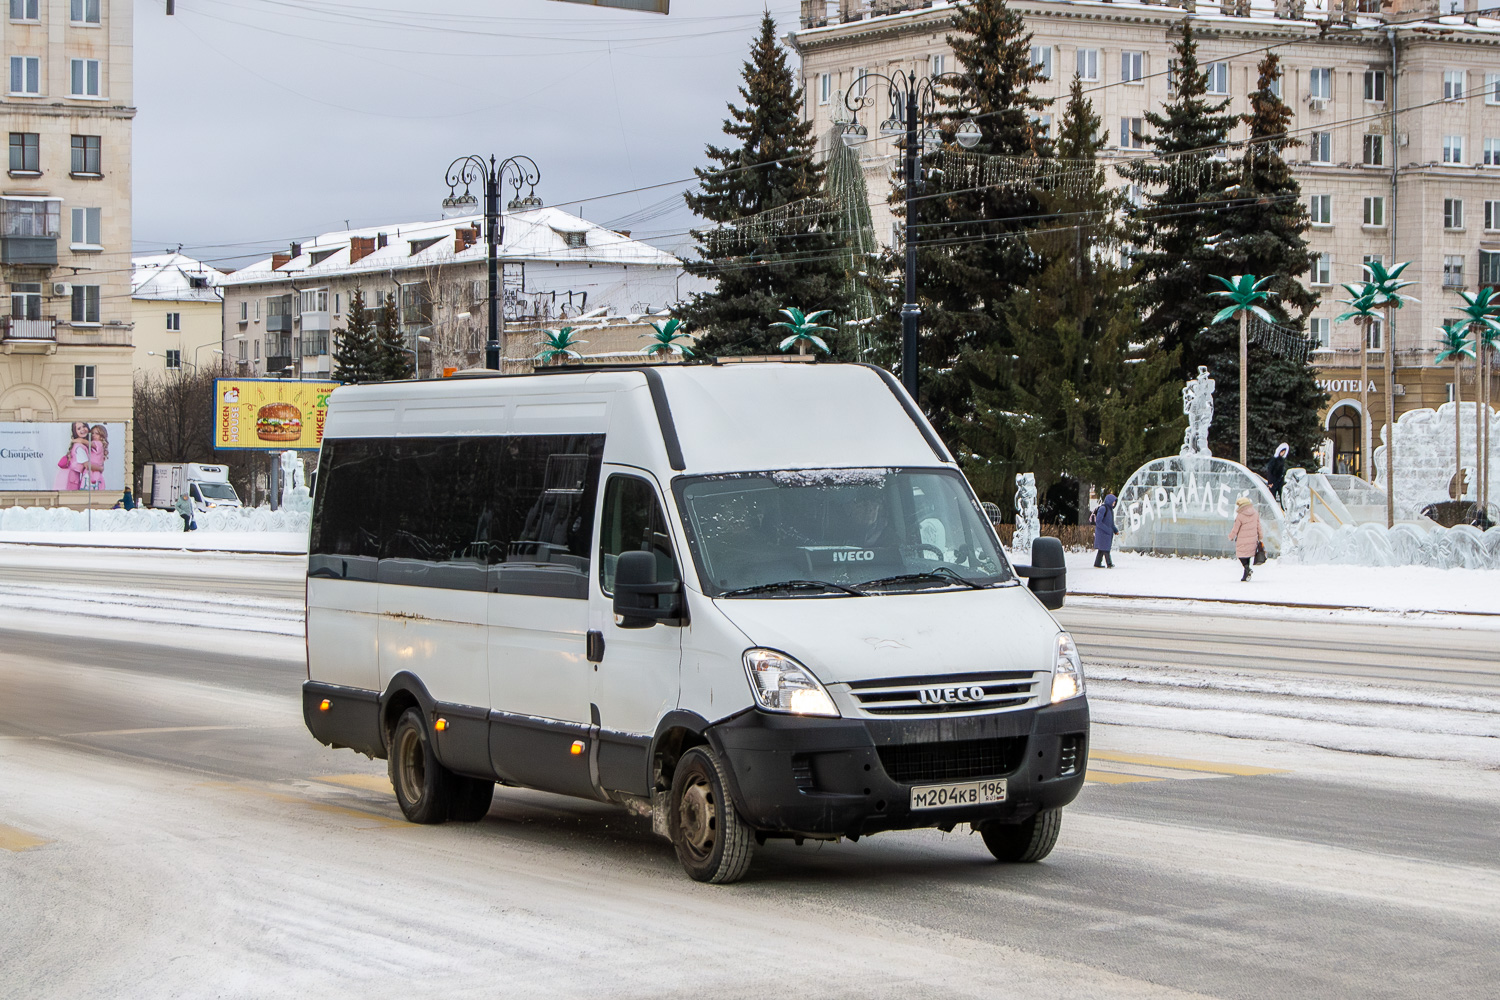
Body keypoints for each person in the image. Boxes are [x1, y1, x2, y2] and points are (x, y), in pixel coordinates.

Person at [1228, 496, 1263, 581]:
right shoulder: (1255, 513)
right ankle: (1245, 574)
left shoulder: (1240, 516)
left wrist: (1231, 537)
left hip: (1242, 539)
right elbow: (1259, 526)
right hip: (1253, 539)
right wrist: (1260, 536)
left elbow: (1235, 529)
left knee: (1241, 555)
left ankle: (1247, 568)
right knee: (1247, 556)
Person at [1091, 493, 1120, 568]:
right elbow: (1098, 522)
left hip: (1106, 533)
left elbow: (1111, 523)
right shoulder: (1103, 508)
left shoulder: (1110, 510)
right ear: (1109, 501)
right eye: (1113, 502)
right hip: (1102, 533)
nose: (1114, 503)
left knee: (1102, 549)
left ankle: (1097, 563)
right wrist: (1107, 530)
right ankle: (1109, 563)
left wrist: (1115, 530)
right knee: (1106, 549)